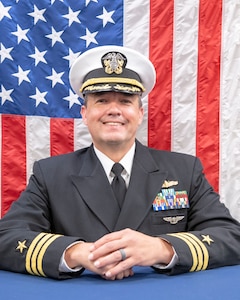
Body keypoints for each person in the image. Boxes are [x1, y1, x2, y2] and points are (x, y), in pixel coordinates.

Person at [0, 45, 239, 280]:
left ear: (140, 113)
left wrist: (162, 249)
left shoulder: (184, 171)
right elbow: (6, 238)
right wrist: (76, 252)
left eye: (125, 101)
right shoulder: (50, 175)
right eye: (102, 100)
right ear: (84, 113)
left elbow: (231, 236)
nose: (114, 110)